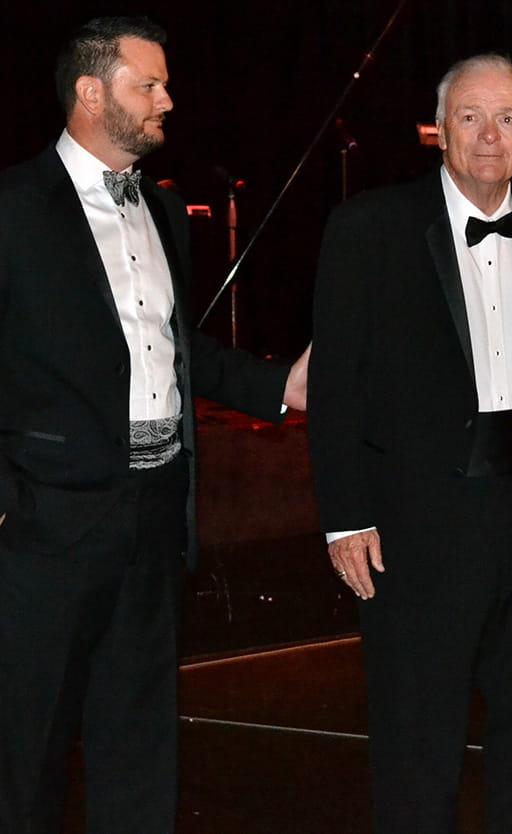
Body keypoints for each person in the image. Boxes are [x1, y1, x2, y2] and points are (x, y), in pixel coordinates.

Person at [308, 53, 512, 833]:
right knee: (416, 744)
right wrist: (345, 515)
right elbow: (336, 389)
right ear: (438, 130)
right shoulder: (368, 227)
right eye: (470, 117)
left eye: (507, 119)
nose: (489, 136)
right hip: (418, 524)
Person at [0, 16, 308, 834]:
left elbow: (179, 350)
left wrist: (283, 384)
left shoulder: (165, 214)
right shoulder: (12, 209)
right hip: (48, 525)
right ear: (90, 92)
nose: (168, 99)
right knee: (24, 755)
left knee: (138, 744)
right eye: (150, 84)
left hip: (156, 513)